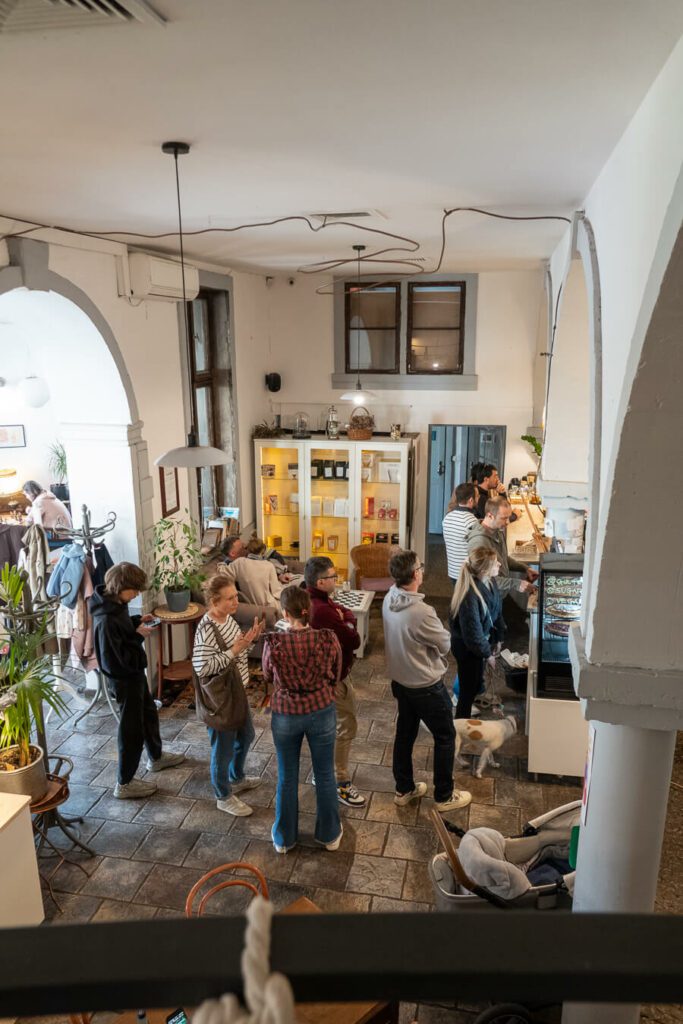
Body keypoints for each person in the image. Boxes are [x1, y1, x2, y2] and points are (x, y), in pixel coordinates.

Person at [382, 550, 472, 814]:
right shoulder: (421, 612)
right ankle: (444, 795)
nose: (422, 570)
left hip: (401, 681)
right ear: (415, 574)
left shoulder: (389, 598)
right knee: (445, 736)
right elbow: (445, 644)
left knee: (405, 734)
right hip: (425, 686)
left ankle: (404, 789)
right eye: (420, 567)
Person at [91, 562, 185, 799]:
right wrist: (137, 636)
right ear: (121, 586)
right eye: (134, 590)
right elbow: (115, 660)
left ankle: (156, 757)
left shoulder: (116, 605)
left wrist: (136, 621)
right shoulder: (105, 619)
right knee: (131, 731)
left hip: (134, 674)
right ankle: (124, 783)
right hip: (124, 680)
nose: (136, 594)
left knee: (149, 715)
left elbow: (121, 634)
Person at [262, 585, 343, 854]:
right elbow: (336, 673)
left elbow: (266, 674)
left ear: (286, 613)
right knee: (325, 774)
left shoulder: (274, 642)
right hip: (321, 709)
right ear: (307, 610)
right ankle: (329, 835)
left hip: (286, 713)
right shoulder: (328, 638)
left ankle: (284, 839)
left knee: (287, 776)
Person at [192, 576, 265, 816]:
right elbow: (202, 667)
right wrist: (234, 650)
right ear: (214, 601)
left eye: (236, 596)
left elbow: (237, 652)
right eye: (230, 598)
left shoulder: (228, 619)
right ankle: (222, 796)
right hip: (221, 699)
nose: (236, 602)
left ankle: (236, 777)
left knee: (246, 735)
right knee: (222, 749)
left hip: (236, 691)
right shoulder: (207, 629)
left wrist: (249, 642)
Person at [304, 556, 365, 807]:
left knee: (328, 726)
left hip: (323, 676)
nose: (336, 579)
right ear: (320, 582)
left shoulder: (313, 600)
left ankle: (322, 772)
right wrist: (348, 621)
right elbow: (353, 640)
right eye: (332, 576)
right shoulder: (323, 611)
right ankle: (339, 781)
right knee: (345, 726)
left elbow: (344, 613)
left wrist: (345, 617)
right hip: (334, 679)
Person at [449, 547, 505, 719]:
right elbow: (472, 634)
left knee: (473, 685)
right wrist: (488, 654)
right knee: (467, 692)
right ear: (484, 570)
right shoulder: (469, 596)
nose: (499, 564)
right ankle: (461, 724)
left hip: (478, 644)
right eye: (495, 563)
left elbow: (497, 612)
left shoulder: (491, 582)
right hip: (466, 648)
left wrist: (499, 639)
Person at [467, 496, 538, 607]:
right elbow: (483, 579)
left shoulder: (496, 530)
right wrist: (515, 583)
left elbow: (503, 558)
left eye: (508, 517)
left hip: (499, 593)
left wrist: (525, 568)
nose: (507, 522)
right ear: (490, 516)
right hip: (487, 599)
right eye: (504, 518)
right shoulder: (479, 542)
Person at [219, 534, 284, 611]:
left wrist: (279, 575)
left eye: (245, 546)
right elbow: (275, 592)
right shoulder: (238, 564)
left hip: (273, 589)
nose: (246, 549)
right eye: (242, 548)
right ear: (232, 553)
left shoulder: (241, 562)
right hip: (269, 603)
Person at [442, 482, 478, 583]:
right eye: (477, 496)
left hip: (452, 570)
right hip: (467, 573)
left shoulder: (447, 517)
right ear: (471, 500)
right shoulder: (472, 521)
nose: (478, 498)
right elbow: (477, 548)